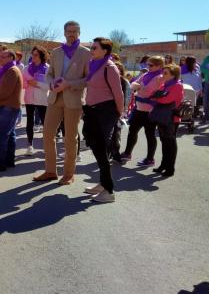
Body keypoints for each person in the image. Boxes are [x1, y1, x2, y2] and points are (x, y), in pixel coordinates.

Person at [33, 21, 90, 184]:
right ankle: (50, 171)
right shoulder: (56, 52)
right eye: (68, 31)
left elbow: (88, 79)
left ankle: (69, 174)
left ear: (79, 32)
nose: (71, 33)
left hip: (73, 101)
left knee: (70, 138)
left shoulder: (86, 53)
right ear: (64, 33)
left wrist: (69, 84)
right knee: (47, 134)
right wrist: (52, 84)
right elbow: (49, 73)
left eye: (74, 31)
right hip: (55, 98)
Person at [82, 38, 124, 203]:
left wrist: (118, 113)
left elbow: (118, 94)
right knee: (92, 142)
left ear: (105, 50)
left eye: (94, 47)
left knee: (100, 148)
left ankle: (109, 191)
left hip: (105, 111)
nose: (91, 49)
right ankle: (102, 183)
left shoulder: (109, 68)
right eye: (91, 47)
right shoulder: (94, 65)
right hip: (92, 110)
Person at [121, 56, 164, 166]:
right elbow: (132, 85)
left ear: (159, 66)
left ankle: (150, 159)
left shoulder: (160, 77)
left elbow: (146, 91)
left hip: (150, 111)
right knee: (132, 131)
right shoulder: (146, 74)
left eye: (151, 65)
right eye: (147, 65)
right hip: (139, 109)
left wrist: (139, 87)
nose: (148, 67)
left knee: (150, 135)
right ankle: (127, 153)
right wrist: (139, 87)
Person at [0, 49, 23, 171]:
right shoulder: (10, 70)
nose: (0, 59)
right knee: (10, 134)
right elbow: (4, 87)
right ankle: (9, 160)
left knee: (2, 135)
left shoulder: (12, 70)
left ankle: (0, 163)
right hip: (11, 106)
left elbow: (7, 90)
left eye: (3, 57)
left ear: (11, 58)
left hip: (8, 106)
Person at [151, 64, 184, 177]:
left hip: (171, 118)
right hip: (163, 117)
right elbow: (154, 96)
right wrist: (158, 97)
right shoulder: (165, 85)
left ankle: (170, 168)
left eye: (165, 73)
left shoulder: (177, 85)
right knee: (164, 143)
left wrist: (157, 97)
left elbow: (166, 100)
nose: (162, 75)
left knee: (170, 144)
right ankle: (163, 165)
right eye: (163, 72)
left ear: (173, 75)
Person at [22, 46, 49, 156]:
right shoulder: (26, 68)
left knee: (45, 123)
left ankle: (47, 146)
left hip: (42, 99)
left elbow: (49, 86)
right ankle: (29, 145)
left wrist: (37, 84)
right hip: (29, 98)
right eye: (32, 54)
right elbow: (23, 84)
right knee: (29, 122)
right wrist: (28, 83)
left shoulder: (48, 68)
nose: (33, 56)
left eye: (36, 55)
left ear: (42, 56)